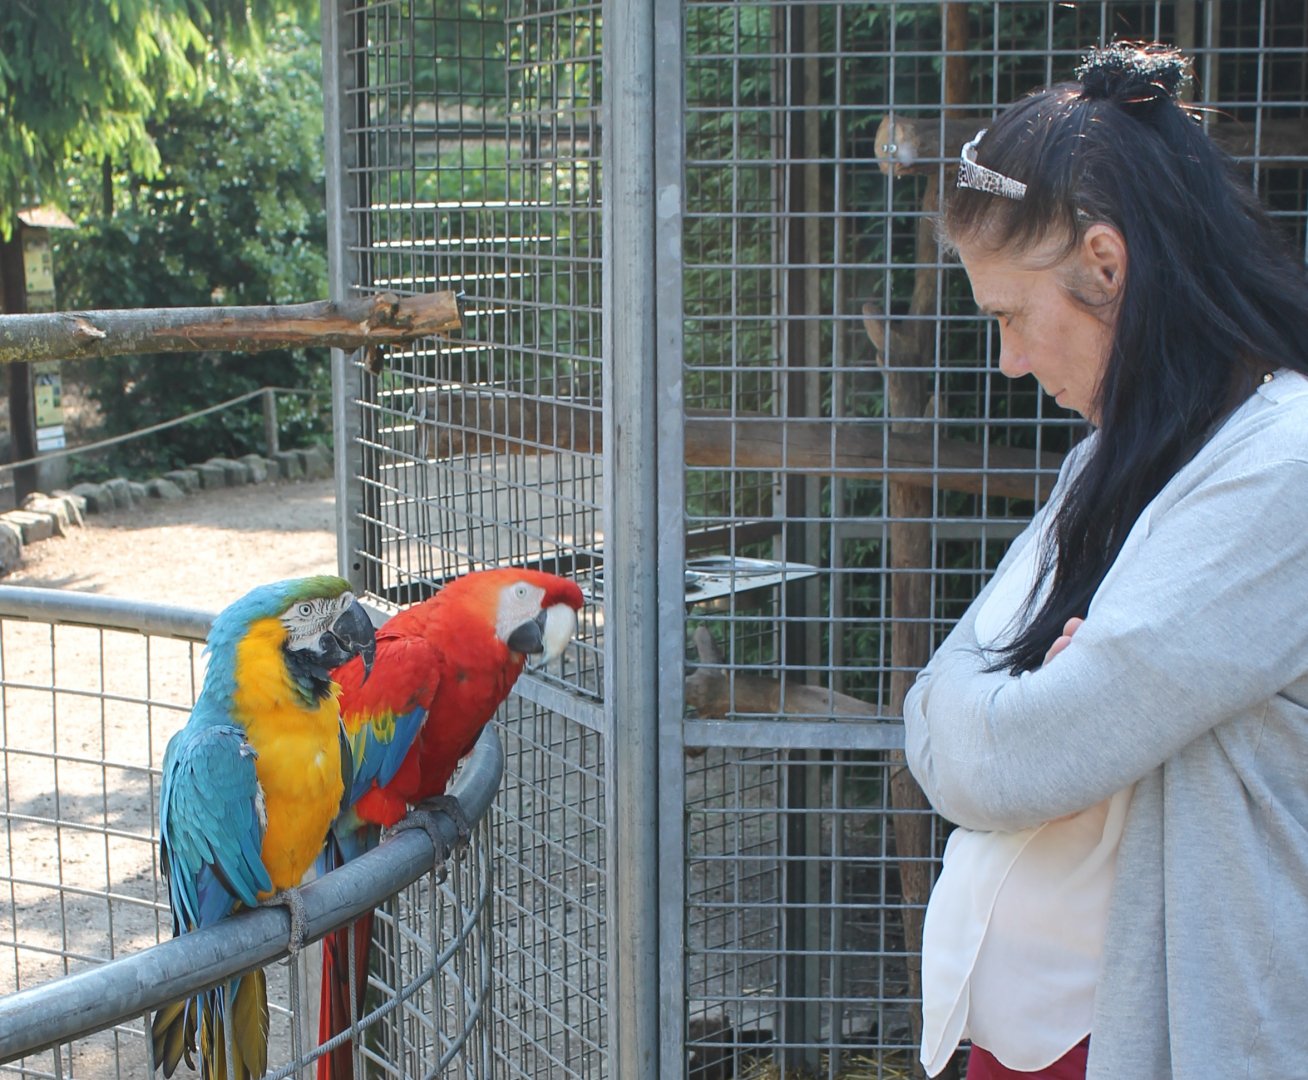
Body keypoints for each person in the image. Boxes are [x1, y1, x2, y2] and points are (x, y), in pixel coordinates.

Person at [902, 41, 1308, 1080]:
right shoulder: (1106, 457)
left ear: (1107, 263)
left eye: (1009, 317)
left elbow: (1010, 754)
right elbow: (942, 716)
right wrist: (1010, 700)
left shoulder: (1285, 467)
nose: (1007, 361)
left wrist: (1006, 701)